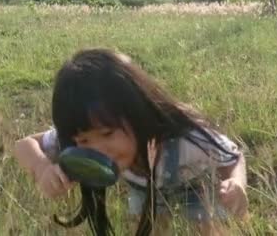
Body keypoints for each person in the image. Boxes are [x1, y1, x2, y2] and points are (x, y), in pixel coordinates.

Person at [14, 48, 248, 236]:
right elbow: (23, 145)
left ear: (138, 115)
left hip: (196, 185)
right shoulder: (80, 138)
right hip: (145, 188)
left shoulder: (187, 138)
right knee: (147, 227)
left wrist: (236, 183)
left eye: (107, 134)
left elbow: (233, 156)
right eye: (84, 139)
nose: (96, 149)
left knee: (210, 227)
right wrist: (41, 167)